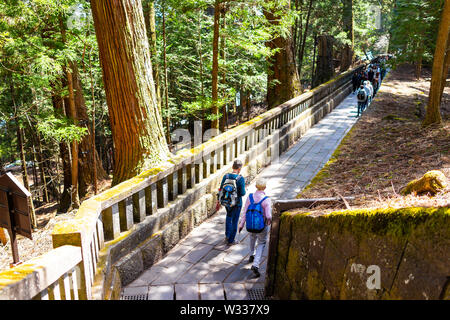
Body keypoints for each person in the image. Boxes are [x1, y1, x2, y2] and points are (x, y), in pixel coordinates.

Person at [238, 178, 272, 277]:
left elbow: (245, 212)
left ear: (256, 186)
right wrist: (269, 222)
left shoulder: (250, 197)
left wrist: (241, 224)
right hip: (262, 226)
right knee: (261, 243)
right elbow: (269, 215)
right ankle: (256, 264)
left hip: (250, 225)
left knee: (252, 238)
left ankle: (251, 254)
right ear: (265, 187)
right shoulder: (266, 200)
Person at [218, 160, 246, 245]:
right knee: (235, 220)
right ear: (239, 169)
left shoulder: (226, 176)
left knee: (229, 217)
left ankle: (227, 235)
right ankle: (231, 240)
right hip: (237, 203)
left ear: (232, 167)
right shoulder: (240, 179)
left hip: (227, 201)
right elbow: (242, 193)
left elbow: (221, 189)